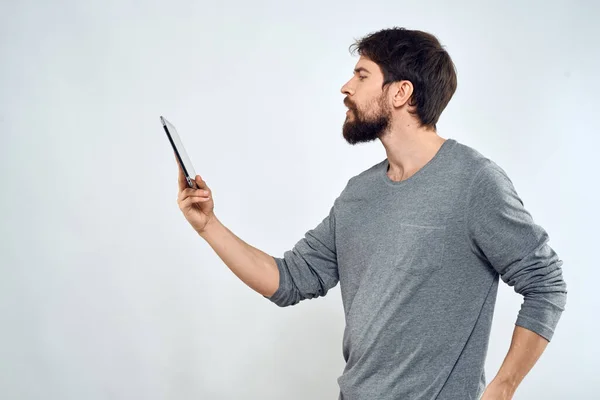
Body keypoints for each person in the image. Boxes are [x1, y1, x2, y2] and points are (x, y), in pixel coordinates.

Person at [174, 27, 567, 400]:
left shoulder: (473, 182)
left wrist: (501, 388)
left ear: (401, 92)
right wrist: (209, 225)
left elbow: (546, 283)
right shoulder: (358, 194)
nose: (346, 87)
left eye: (361, 75)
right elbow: (290, 280)